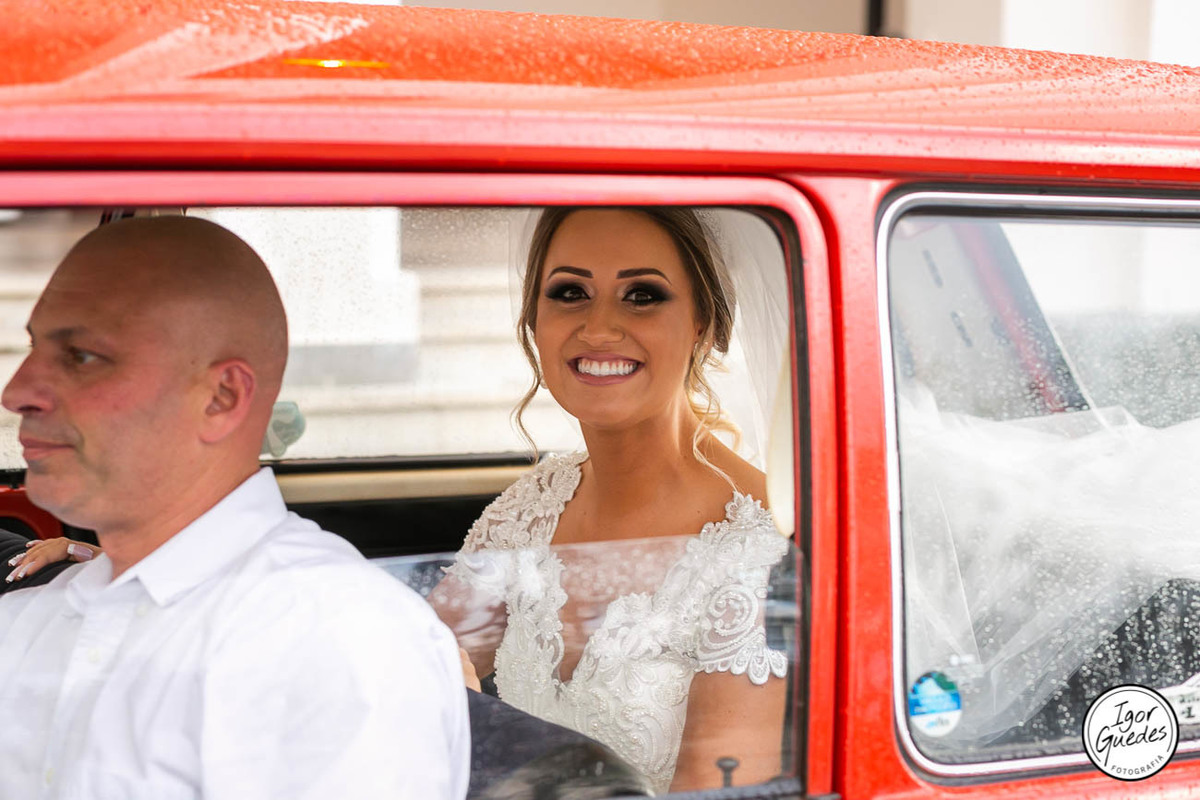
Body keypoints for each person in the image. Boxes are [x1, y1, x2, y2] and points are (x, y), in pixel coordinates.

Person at [0, 216, 469, 799]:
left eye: (82, 356)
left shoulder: (336, 639)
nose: (17, 391)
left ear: (221, 398)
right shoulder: (27, 624)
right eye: (32, 348)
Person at [430, 207, 792, 794]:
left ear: (703, 321)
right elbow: (415, 662)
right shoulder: (530, 510)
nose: (598, 328)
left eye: (642, 295)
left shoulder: (758, 549)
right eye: (570, 292)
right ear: (534, 320)